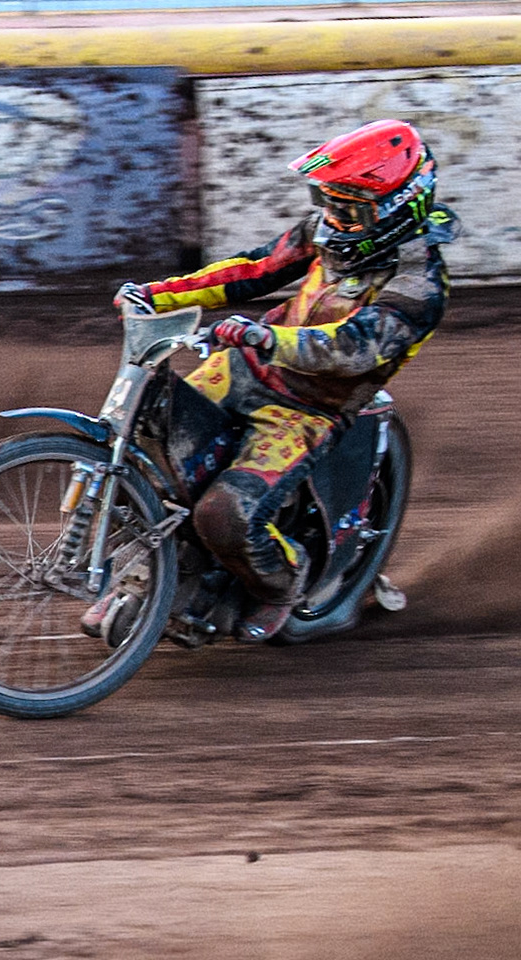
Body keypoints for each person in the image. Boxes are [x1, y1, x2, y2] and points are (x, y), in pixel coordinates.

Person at [108, 118, 454, 641]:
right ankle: (142, 572)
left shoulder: (420, 284)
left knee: (225, 512)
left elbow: (353, 347)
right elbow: (251, 269)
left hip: (307, 409)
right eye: (328, 201)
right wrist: (158, 294)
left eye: (348, 208)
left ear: (397, 210)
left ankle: (282, 584)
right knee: (141, 428)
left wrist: (271, 340)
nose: (332, 217)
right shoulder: (325, 231)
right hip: (242, 366)